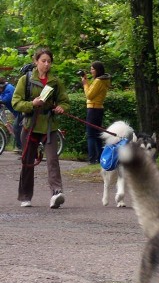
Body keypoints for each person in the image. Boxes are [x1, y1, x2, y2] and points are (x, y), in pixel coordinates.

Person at [12, 47, 71, 209]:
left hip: (49, 126)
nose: (46, 64)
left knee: (53, 160)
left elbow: (65, 101)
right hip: (30, 126)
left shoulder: (56, 82)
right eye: (43, 61)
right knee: (27, 161)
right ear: (36, 61)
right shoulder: (26, 80)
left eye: (49, 61)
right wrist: (32, 104)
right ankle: (25, 196)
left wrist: (62, 107)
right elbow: (15, 102)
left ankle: (56, 193)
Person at [80, 61, 111, 164]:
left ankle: (92, 159)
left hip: (93, 109)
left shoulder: (98, 81)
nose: (91, 71)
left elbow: (89, 95)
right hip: (99, 109)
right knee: (97, 134)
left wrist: (85, 84)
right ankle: (100, 157)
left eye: (93, 69)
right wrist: (87, 81)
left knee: (91, 135)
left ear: (98, 70)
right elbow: (93, 92)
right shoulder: (103, 80)